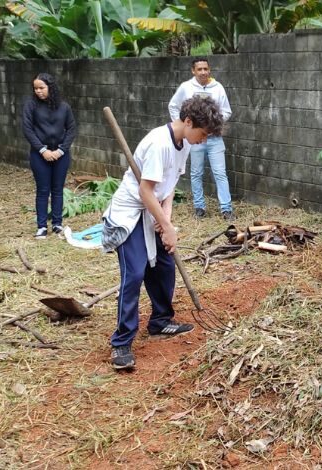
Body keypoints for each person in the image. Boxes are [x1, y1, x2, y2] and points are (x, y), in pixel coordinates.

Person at [102, 95, 223, 370]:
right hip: (131, 212)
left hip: (153, 208)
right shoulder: (159, 144)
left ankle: (160, 321)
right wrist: (166, 227)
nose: (203, 140)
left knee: (165, 265)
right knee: (134, 273)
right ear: (188, 122)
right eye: (202, 134)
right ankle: (121, 342)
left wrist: (166, 220)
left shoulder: (186, 144)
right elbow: (145, 190)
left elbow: (167, 187)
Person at [168, 57, 234, 220]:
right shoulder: (186, 87)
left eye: (206, 69)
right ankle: (199, 207)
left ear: (209, 70)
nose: (203, 72)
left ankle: (226, 209)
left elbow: (227, 111)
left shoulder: (218, 88)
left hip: (214, 138)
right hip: (195, 140)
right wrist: (185, 126)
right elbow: (173, 105)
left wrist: (214, 124)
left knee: (220, 173)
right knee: (196, 172)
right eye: (199, 69)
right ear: (193, 71)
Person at [21, 72, 77, 239]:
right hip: (39, 155)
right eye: (35, 88)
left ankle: (57, 224)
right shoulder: (31, 106)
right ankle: (41, 227)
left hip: (61, 154)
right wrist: (43, 150)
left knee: (58, 190)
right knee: (43, 190)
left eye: (42, 88)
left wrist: (61, 150)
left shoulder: (64, 107)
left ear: (50, 88)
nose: (38, 91)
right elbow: (28, 129)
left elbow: (72, 129)